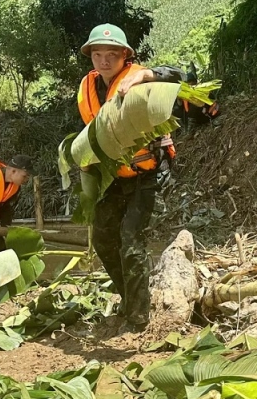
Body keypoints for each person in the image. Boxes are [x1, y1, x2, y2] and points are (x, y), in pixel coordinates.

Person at [77, 23, 180, 330]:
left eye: (112, 54)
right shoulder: (87, 86)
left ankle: (138, 319)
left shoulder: (141, 78)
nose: (104, 61)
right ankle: (130, 298)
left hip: (143, 175)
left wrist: (148, 75)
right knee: (105, 239)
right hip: (110, 177)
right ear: (91, 57)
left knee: (131, 241)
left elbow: (184, 78)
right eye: (98, 54)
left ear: (125, 56)